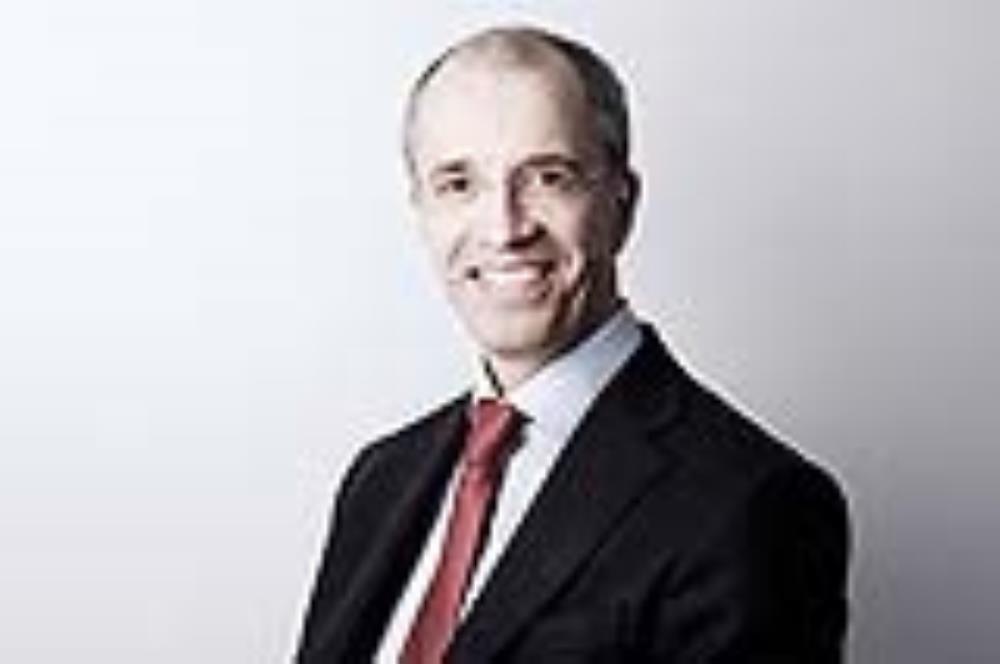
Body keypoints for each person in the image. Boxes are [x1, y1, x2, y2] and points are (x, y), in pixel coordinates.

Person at [296, 25, 850, 663]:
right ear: (421, 209)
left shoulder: (753, 504)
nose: (504, 228)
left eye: (548, 177)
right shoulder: (380, 479)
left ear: (621, 204)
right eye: (458, 184)